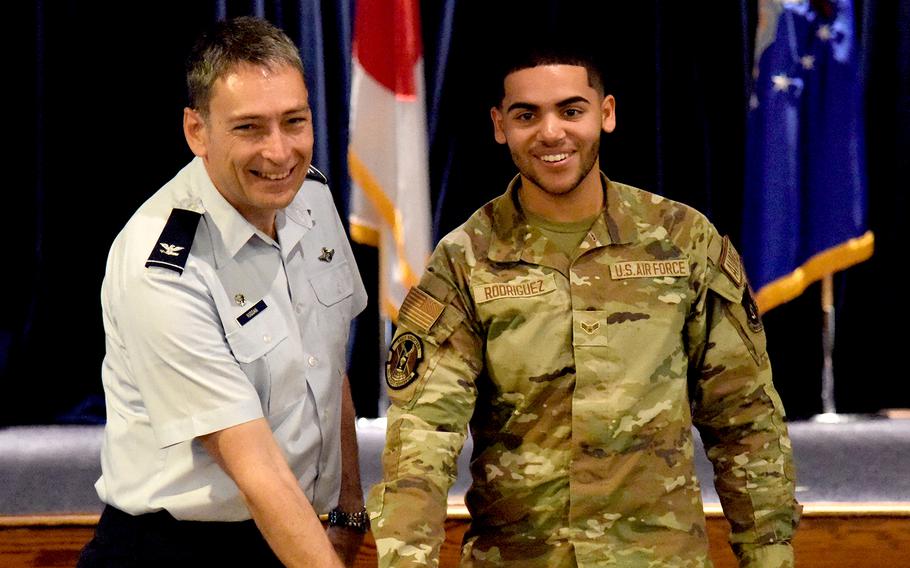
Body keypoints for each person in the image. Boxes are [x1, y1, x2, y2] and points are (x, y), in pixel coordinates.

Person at [368, 46, 801, 568]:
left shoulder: (682, 241)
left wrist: (769, 554)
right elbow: (422, 440)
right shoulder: (465, 260)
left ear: (607, 113)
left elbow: (744, 417)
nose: (551, 133)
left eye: (571, 111)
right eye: (527, 115)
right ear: (499, 126)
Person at [78, 17, 369, 568]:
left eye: (294, 122)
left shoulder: (310, 197)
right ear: (197, 131)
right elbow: (255, 470)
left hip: (290, 532)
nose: (280, 152)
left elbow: (328, 365)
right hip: (179, 552)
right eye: (249, 128)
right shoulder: (162, 265)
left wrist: (348, 509)